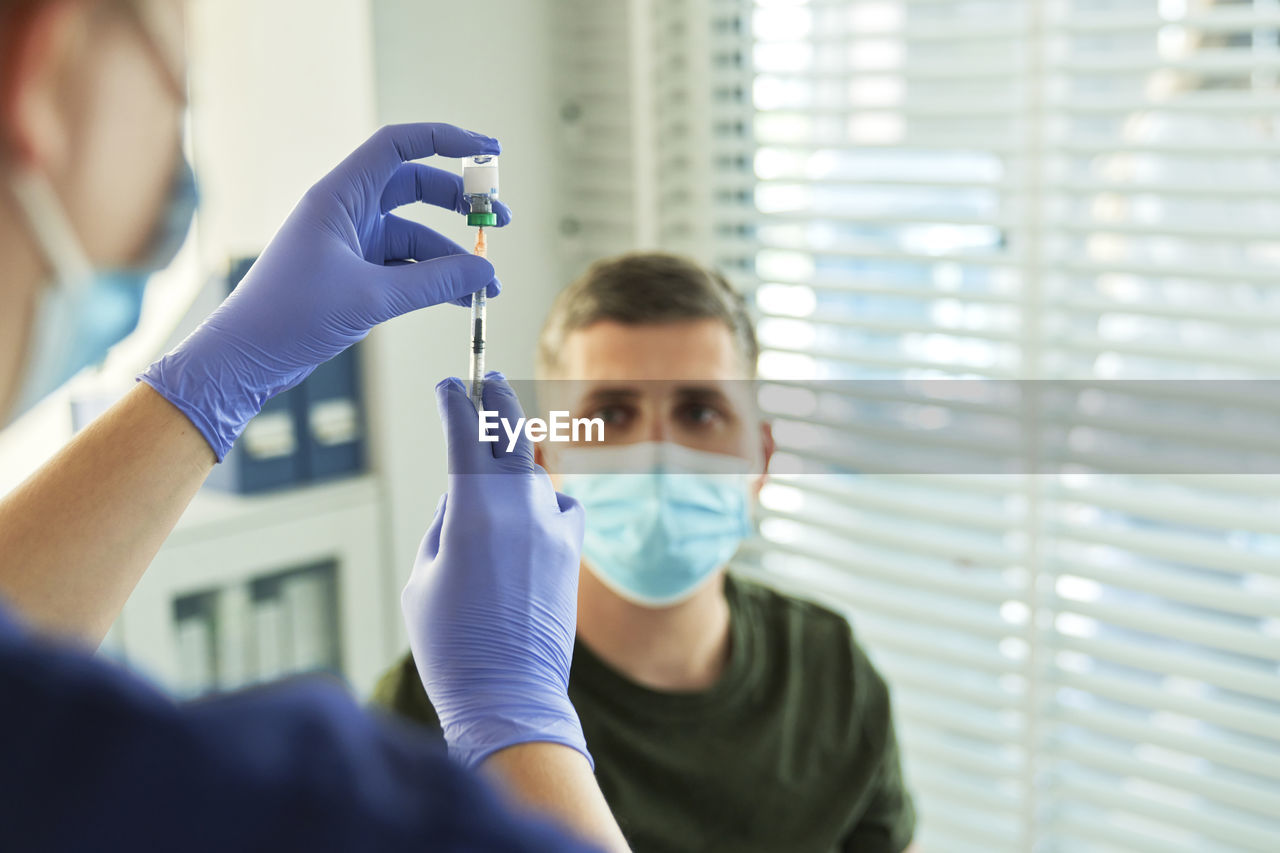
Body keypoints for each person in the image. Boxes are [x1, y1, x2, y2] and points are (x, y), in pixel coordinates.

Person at [0, 1, 629, 850]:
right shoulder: (292, 801)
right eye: (178, 86)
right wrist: (515, 715)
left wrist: (215, 380)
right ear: (49, 59)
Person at [374, 253, 918, 852]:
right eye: (610, 415)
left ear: (761, 457)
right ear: (545, 458)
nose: (657, 454)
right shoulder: (448, 703)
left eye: (700, 412)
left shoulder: (831, 674)